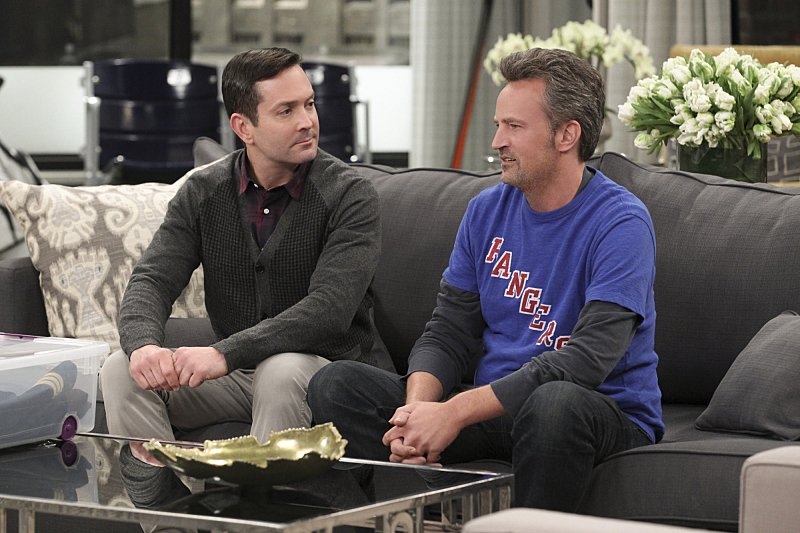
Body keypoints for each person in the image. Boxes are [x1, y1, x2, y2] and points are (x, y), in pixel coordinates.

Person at [308, 47, 663, 512]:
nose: (497, 141)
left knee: (554, 403)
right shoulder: (485, 211)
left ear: (567, 135)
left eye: (514, 126)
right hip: (496, 410)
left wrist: (455, 412)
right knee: (336, 385)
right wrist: (418, 413)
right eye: (498, 125)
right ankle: (399, 517)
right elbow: (448, 331)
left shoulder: (620, 222)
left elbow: (587, 361)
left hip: (595, 410)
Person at [100, 47, 381, 509]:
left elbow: (329, 310)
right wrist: (144, 346)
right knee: (121, 370)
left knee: (280, 370)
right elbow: (152, 279)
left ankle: (261, 520)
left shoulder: (349, 194)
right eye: (286, 111)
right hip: (238, 374)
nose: (307, 122)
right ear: (243, 127)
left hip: (325, 372)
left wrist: (222, 353)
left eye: (309, 104)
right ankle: (170, 519)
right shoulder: (204, 191)